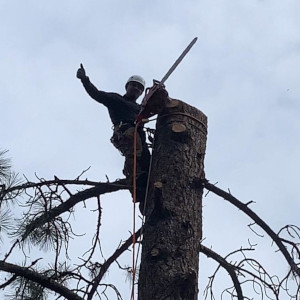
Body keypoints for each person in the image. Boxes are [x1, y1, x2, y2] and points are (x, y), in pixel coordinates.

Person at [76, 64, 151, 203]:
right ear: (127, 86)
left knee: (147, 160)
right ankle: (134, 181)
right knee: (135, 154)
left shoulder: (140, 108)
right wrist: (85, 80)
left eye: (139, 88)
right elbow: (97, 94)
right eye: (133, 85)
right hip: (126, 132)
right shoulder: (116, 99)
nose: (136, 89)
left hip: (139, 136)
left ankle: (145, 189)